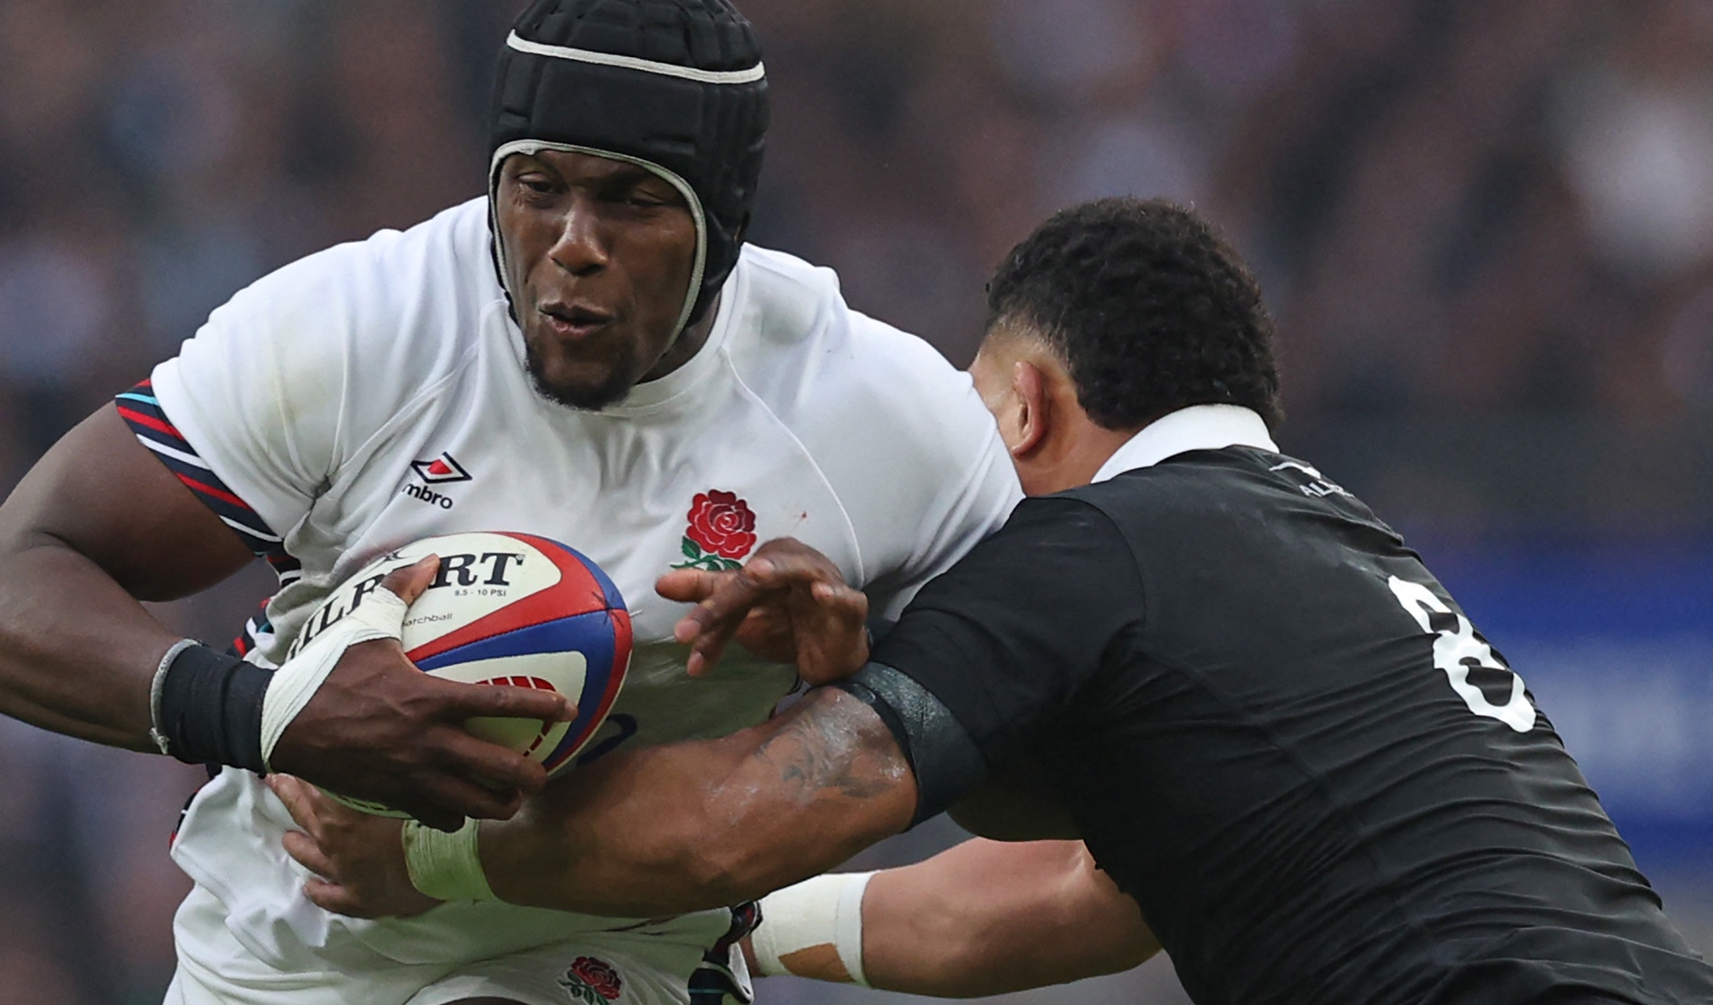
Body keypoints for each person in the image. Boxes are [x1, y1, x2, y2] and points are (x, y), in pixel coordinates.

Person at [0, 0, 1021, 1005]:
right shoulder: (363, 329)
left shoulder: (883, 419)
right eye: (537, 189)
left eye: (632, 201)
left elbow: (1063, 764)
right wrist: (270, 713)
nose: (571, 244)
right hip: (286, 953)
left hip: (610, 951)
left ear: (724, 222)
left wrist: (871, 676)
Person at [349, 198, 1713, 1005]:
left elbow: (742, 820)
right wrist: (747, 926)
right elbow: (1080, 897)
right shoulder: (1336, 550)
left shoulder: (1098, 551)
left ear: (1027, 402)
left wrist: (431, 863)